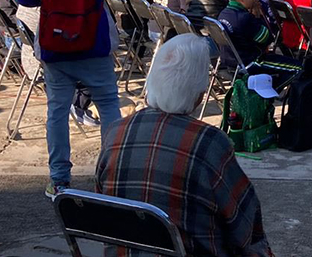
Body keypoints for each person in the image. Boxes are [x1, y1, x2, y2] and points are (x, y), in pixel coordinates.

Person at [95, 33, 274, 257]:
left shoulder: (115, 133)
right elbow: (246, 224)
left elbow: (103, 207)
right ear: (200, 96)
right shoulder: (209, 142)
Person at [15, 0, 130, 199]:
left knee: (57, 110)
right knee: (108, 106)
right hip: (95, 38)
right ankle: (111, 176)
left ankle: (60, 180)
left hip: (54, 40)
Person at [218, 0, 276, 65]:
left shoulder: (223, 14)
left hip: (229, 62)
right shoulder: (244, 18)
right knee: (297, 68)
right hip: (251, 62)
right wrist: (257, 15)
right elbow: (267, 39)